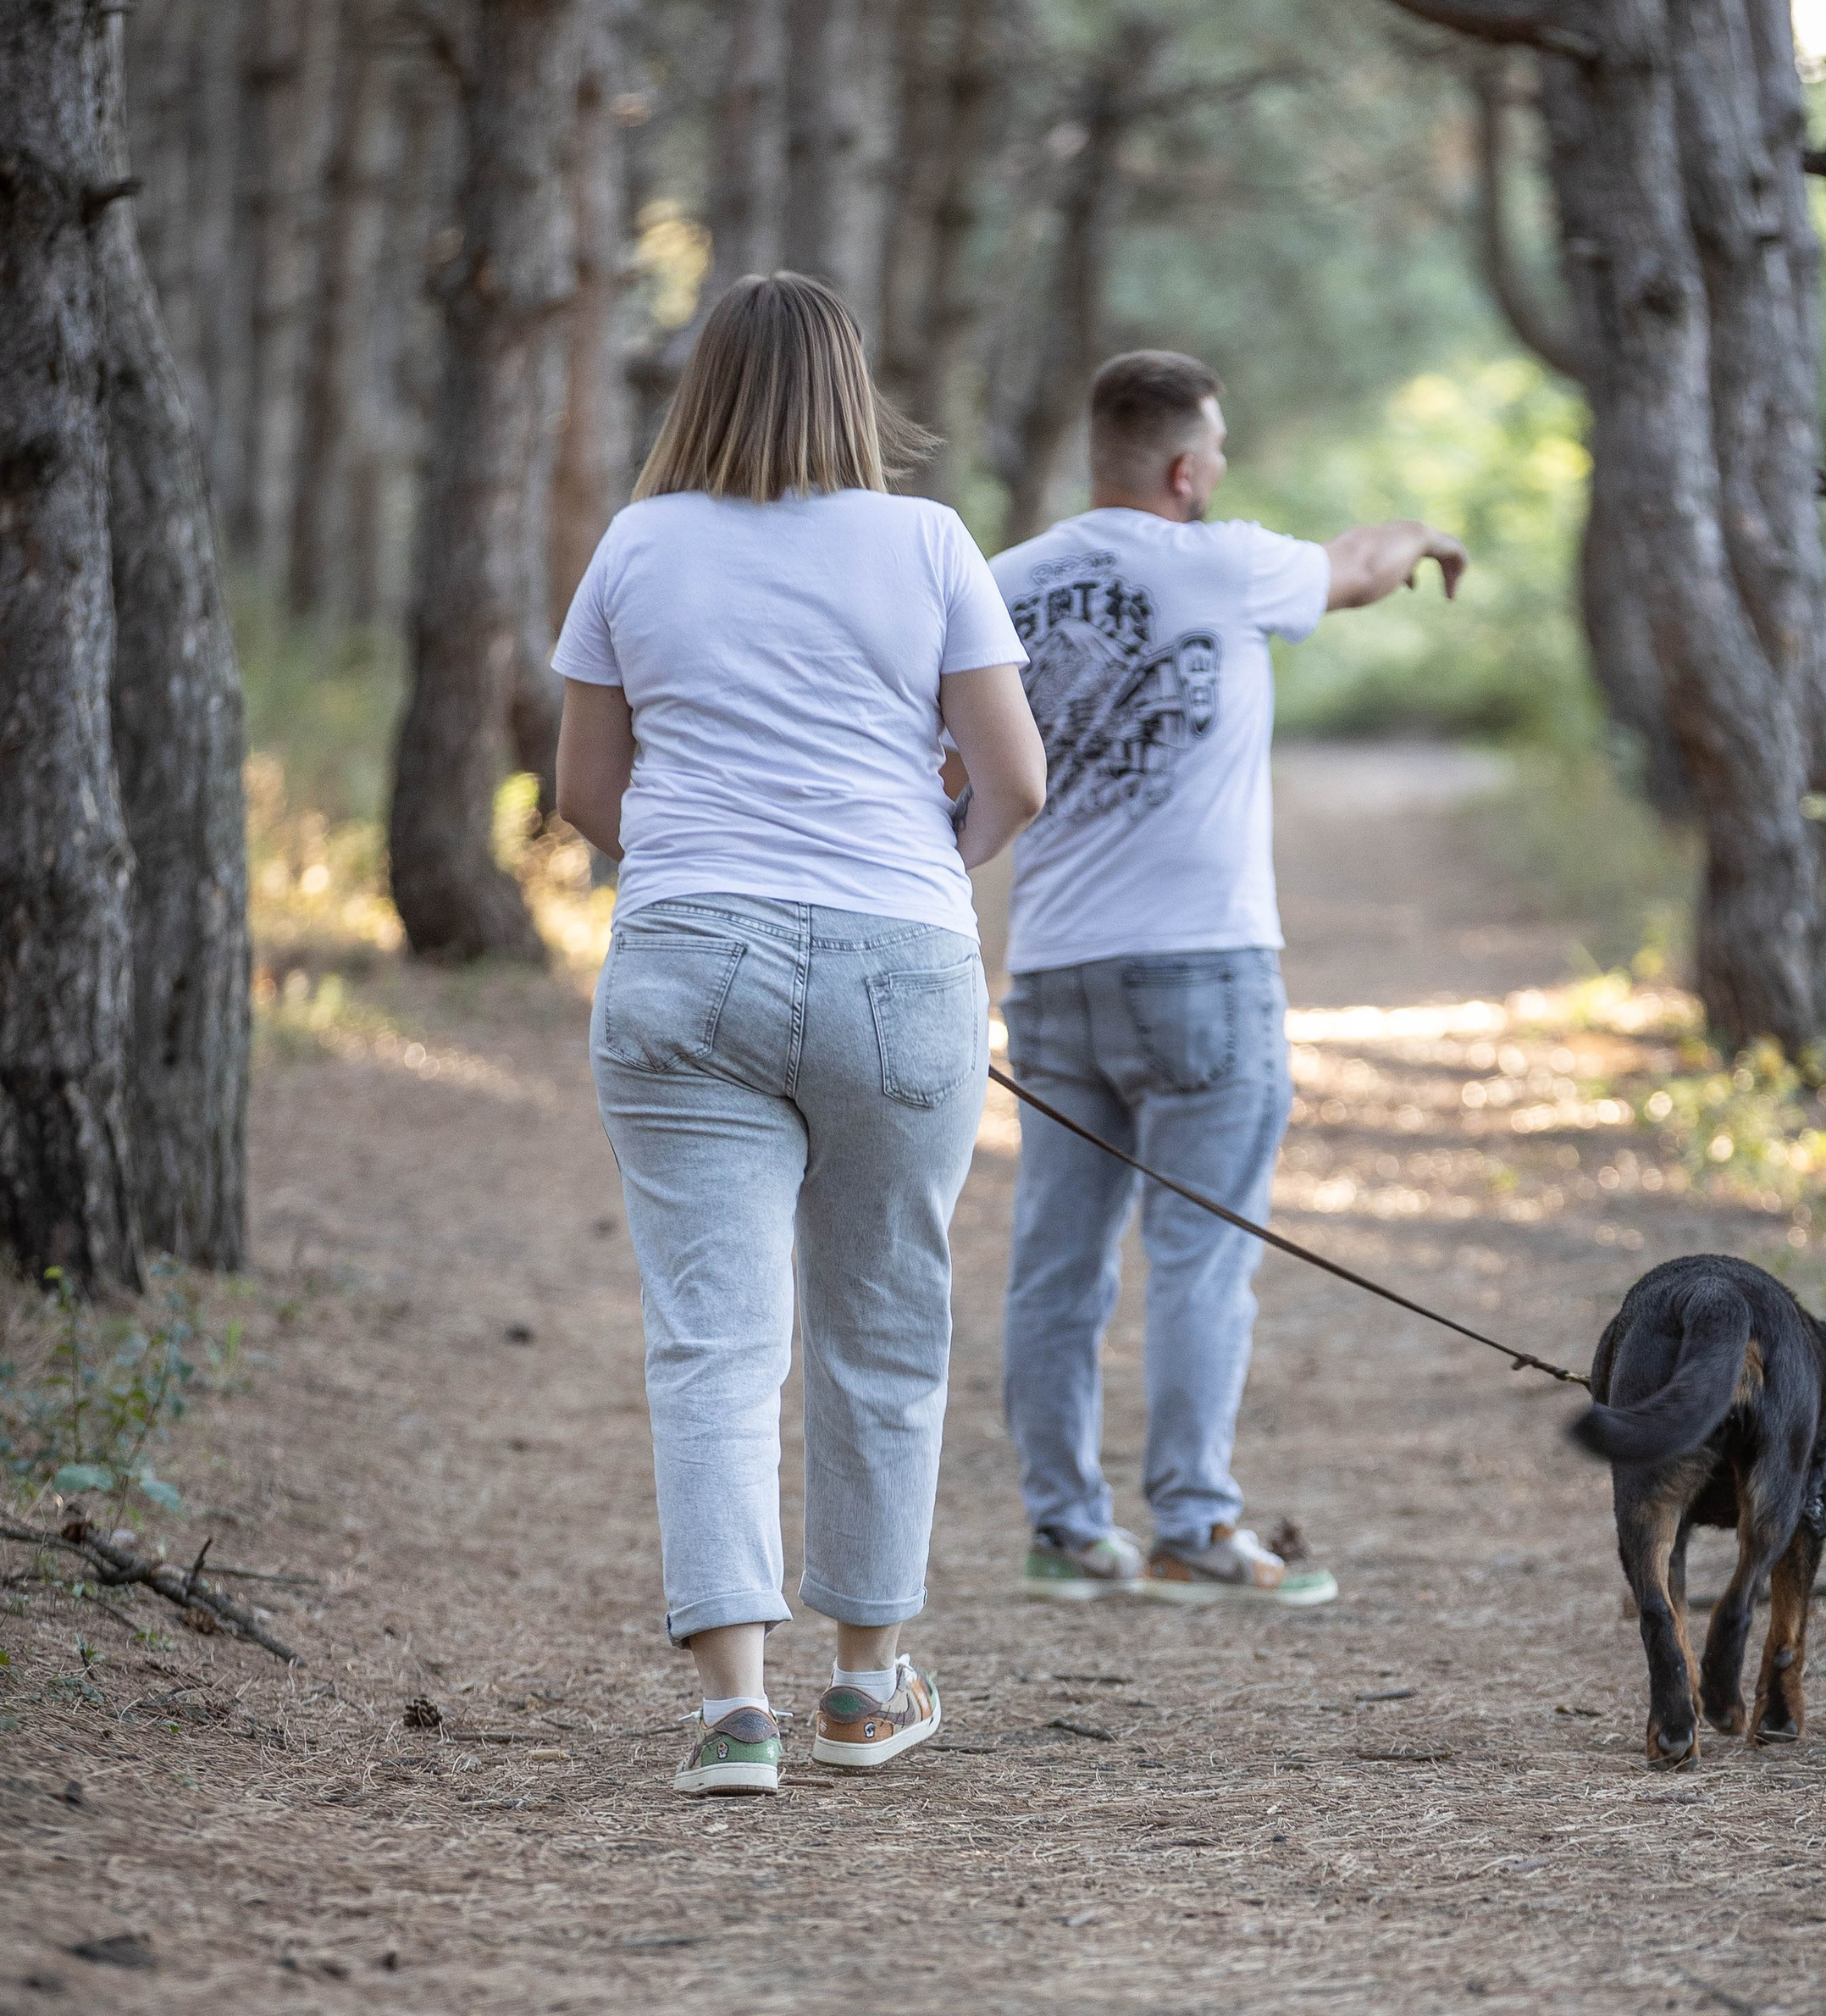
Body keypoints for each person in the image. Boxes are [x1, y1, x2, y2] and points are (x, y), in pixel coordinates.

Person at [553, 274, 1045, 1791]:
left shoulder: (637, 545)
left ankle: (730, 1714)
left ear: (704, 387)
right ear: (852, 388)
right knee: (883, 1327)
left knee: (714, 1340)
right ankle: (864, 1685)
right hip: (900, 957)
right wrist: (906, 890)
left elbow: (586, 793)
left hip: (686, 956)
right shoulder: (929, 542)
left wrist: (709, 889)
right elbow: (1012, 778)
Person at [989, 349, 1464, 1604]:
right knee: (1201, 1256)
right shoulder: (1229, 559)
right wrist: (1419, 534)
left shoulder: (1002, 584)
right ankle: (1196, 1525)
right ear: (1188, 469)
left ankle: (1067, 1532)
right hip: (1202, 967)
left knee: (1056, 1261)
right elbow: (1360, 568)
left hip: (1052, 972)